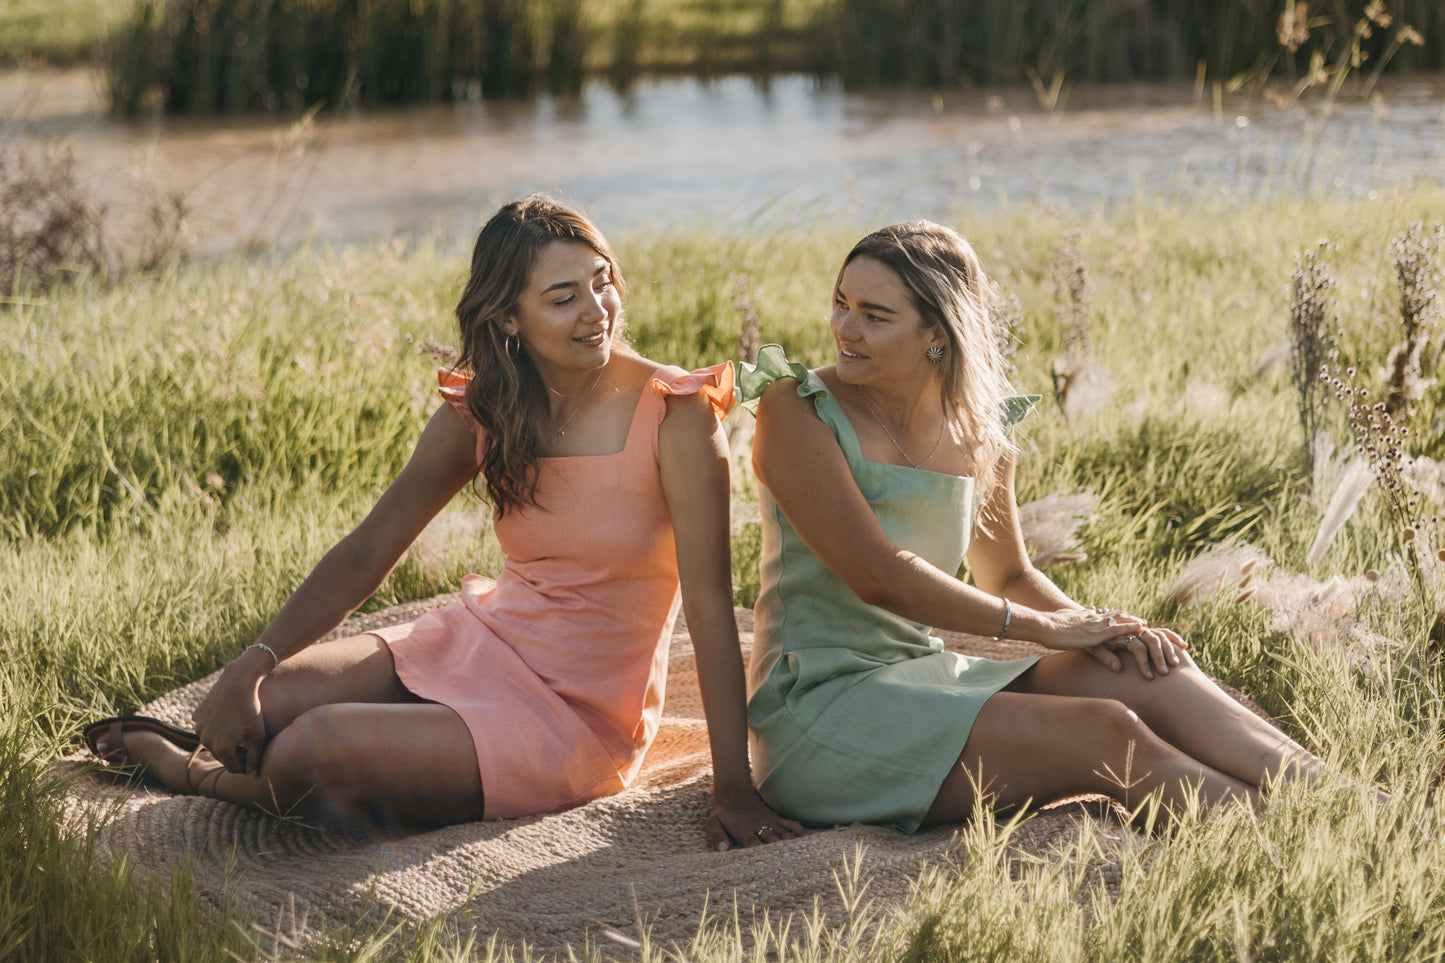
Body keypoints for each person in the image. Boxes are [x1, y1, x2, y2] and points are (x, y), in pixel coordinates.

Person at [86, 195, 803, 848]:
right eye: (563, 296)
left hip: (576, 715)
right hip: (484, 642)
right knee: (270, 701)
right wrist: (250, 662)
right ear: (506, 318)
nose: (598, 310)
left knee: (311, 749)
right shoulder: (484, 409)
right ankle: (250, 746)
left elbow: (710, 606)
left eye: (602, 279)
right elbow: (370, 548)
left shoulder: (675, 412)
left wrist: (731, 785)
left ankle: (193, 774)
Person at [739, 219, 1328, 835]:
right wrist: (1048, 628)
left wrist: (1100, 631)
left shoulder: (979, 427)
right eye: (840, 303)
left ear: (937, 334)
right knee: (1105, 733)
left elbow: (1008, 572)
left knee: (1135, 666)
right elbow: (879, 577)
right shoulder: (797, 408)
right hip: (820, 713)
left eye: (873, 316)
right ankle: (1299, 842)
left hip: (920, 675)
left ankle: (1339, 800)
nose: (843, 329)